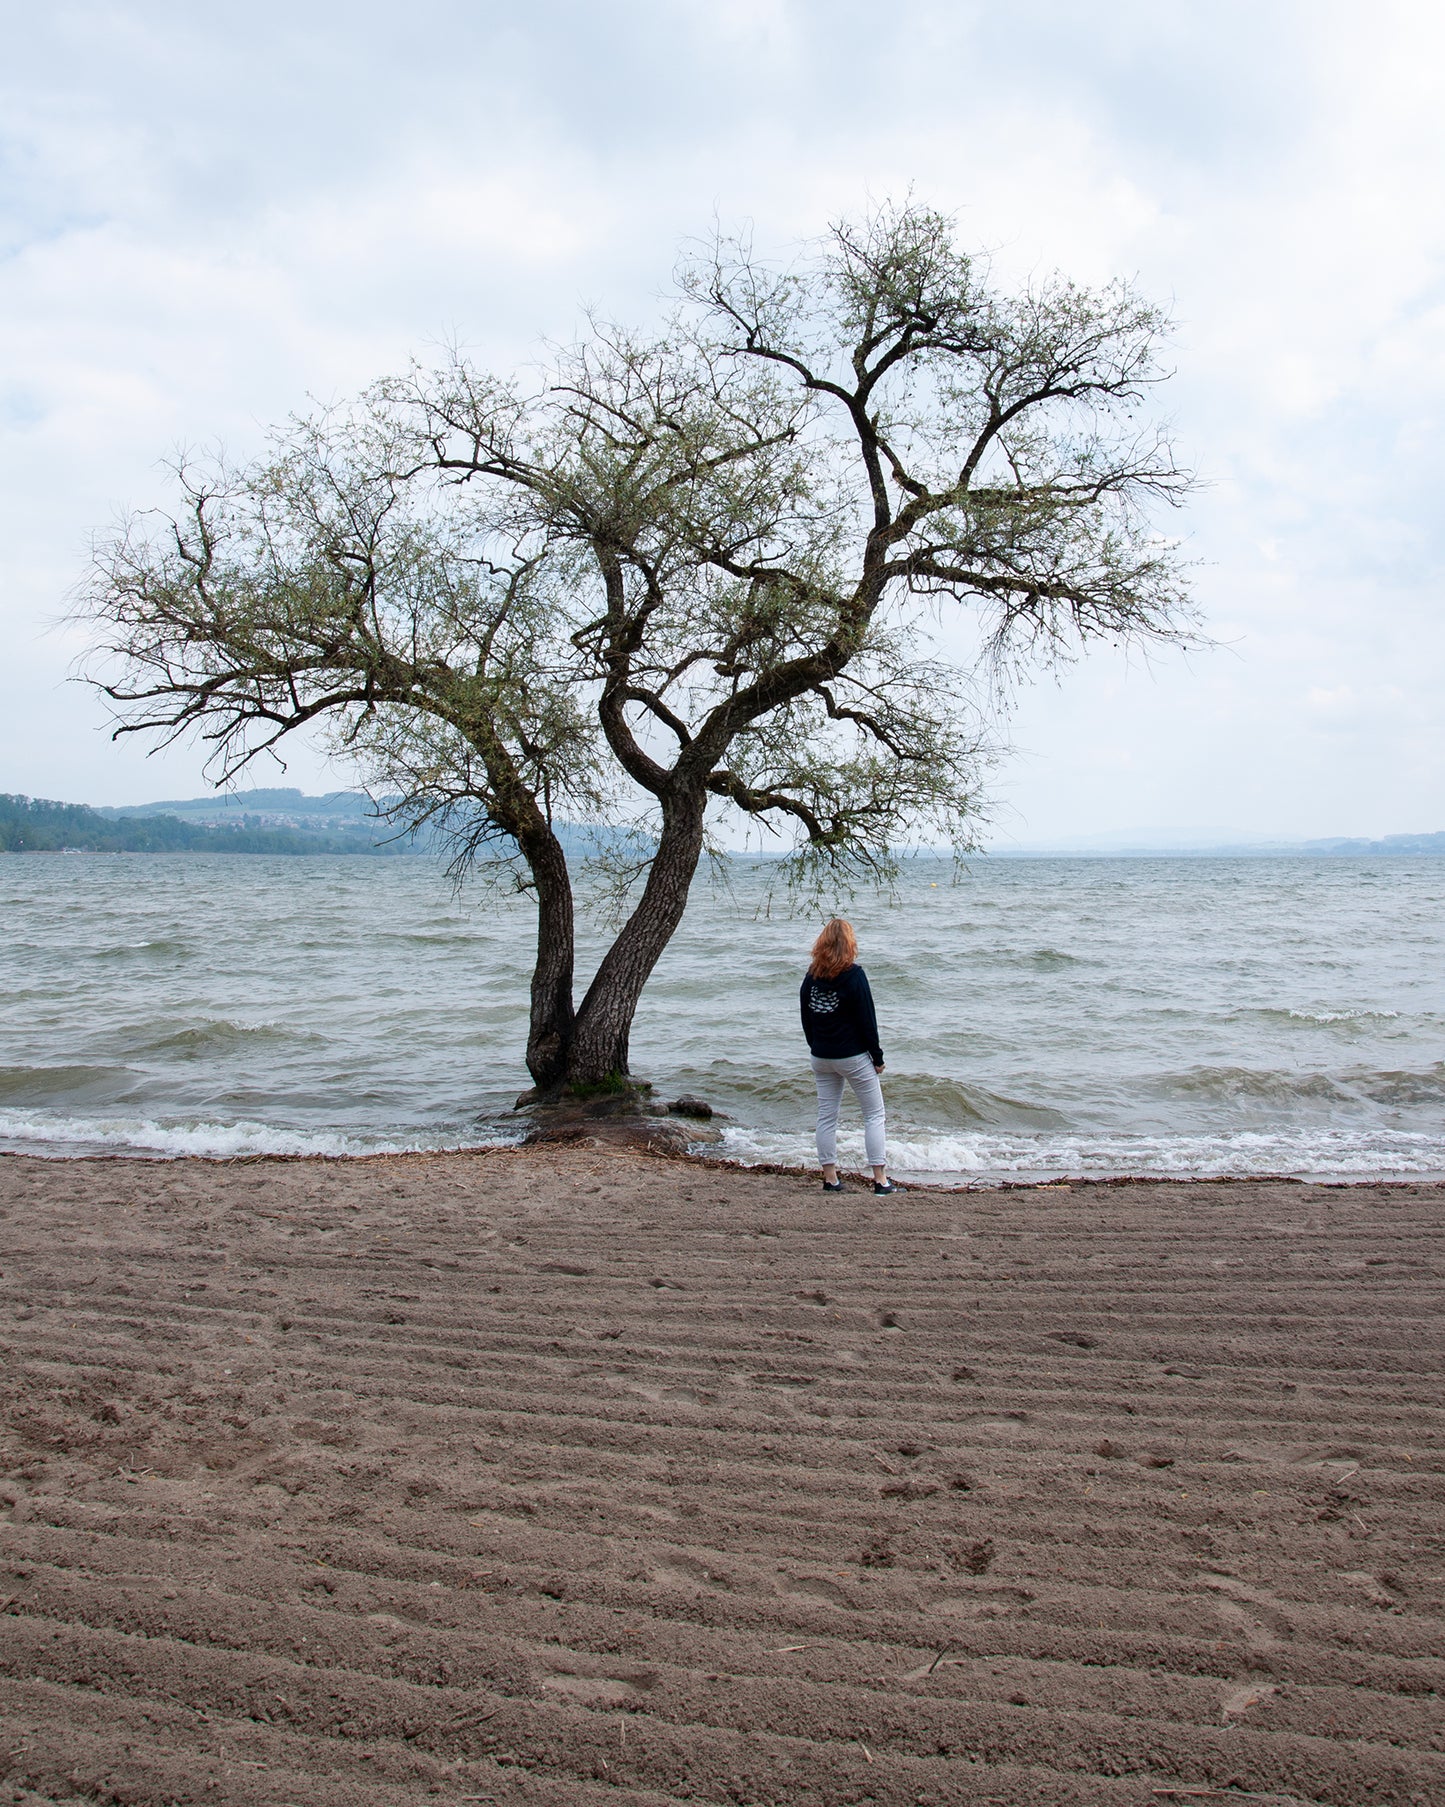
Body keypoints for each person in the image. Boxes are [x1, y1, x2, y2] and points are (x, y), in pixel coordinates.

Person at [799, 918, 899, 1194]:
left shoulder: (811, 976)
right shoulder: (854, 975)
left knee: (826, 1116)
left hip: (821, 1056)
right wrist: (877, 1058)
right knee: (874, 1114)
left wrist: (816, 1046)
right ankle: (880, 1179)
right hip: (852, 1056)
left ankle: (831, 1178)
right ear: (850, 945)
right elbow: (868, 1020)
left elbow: (806, 1017)